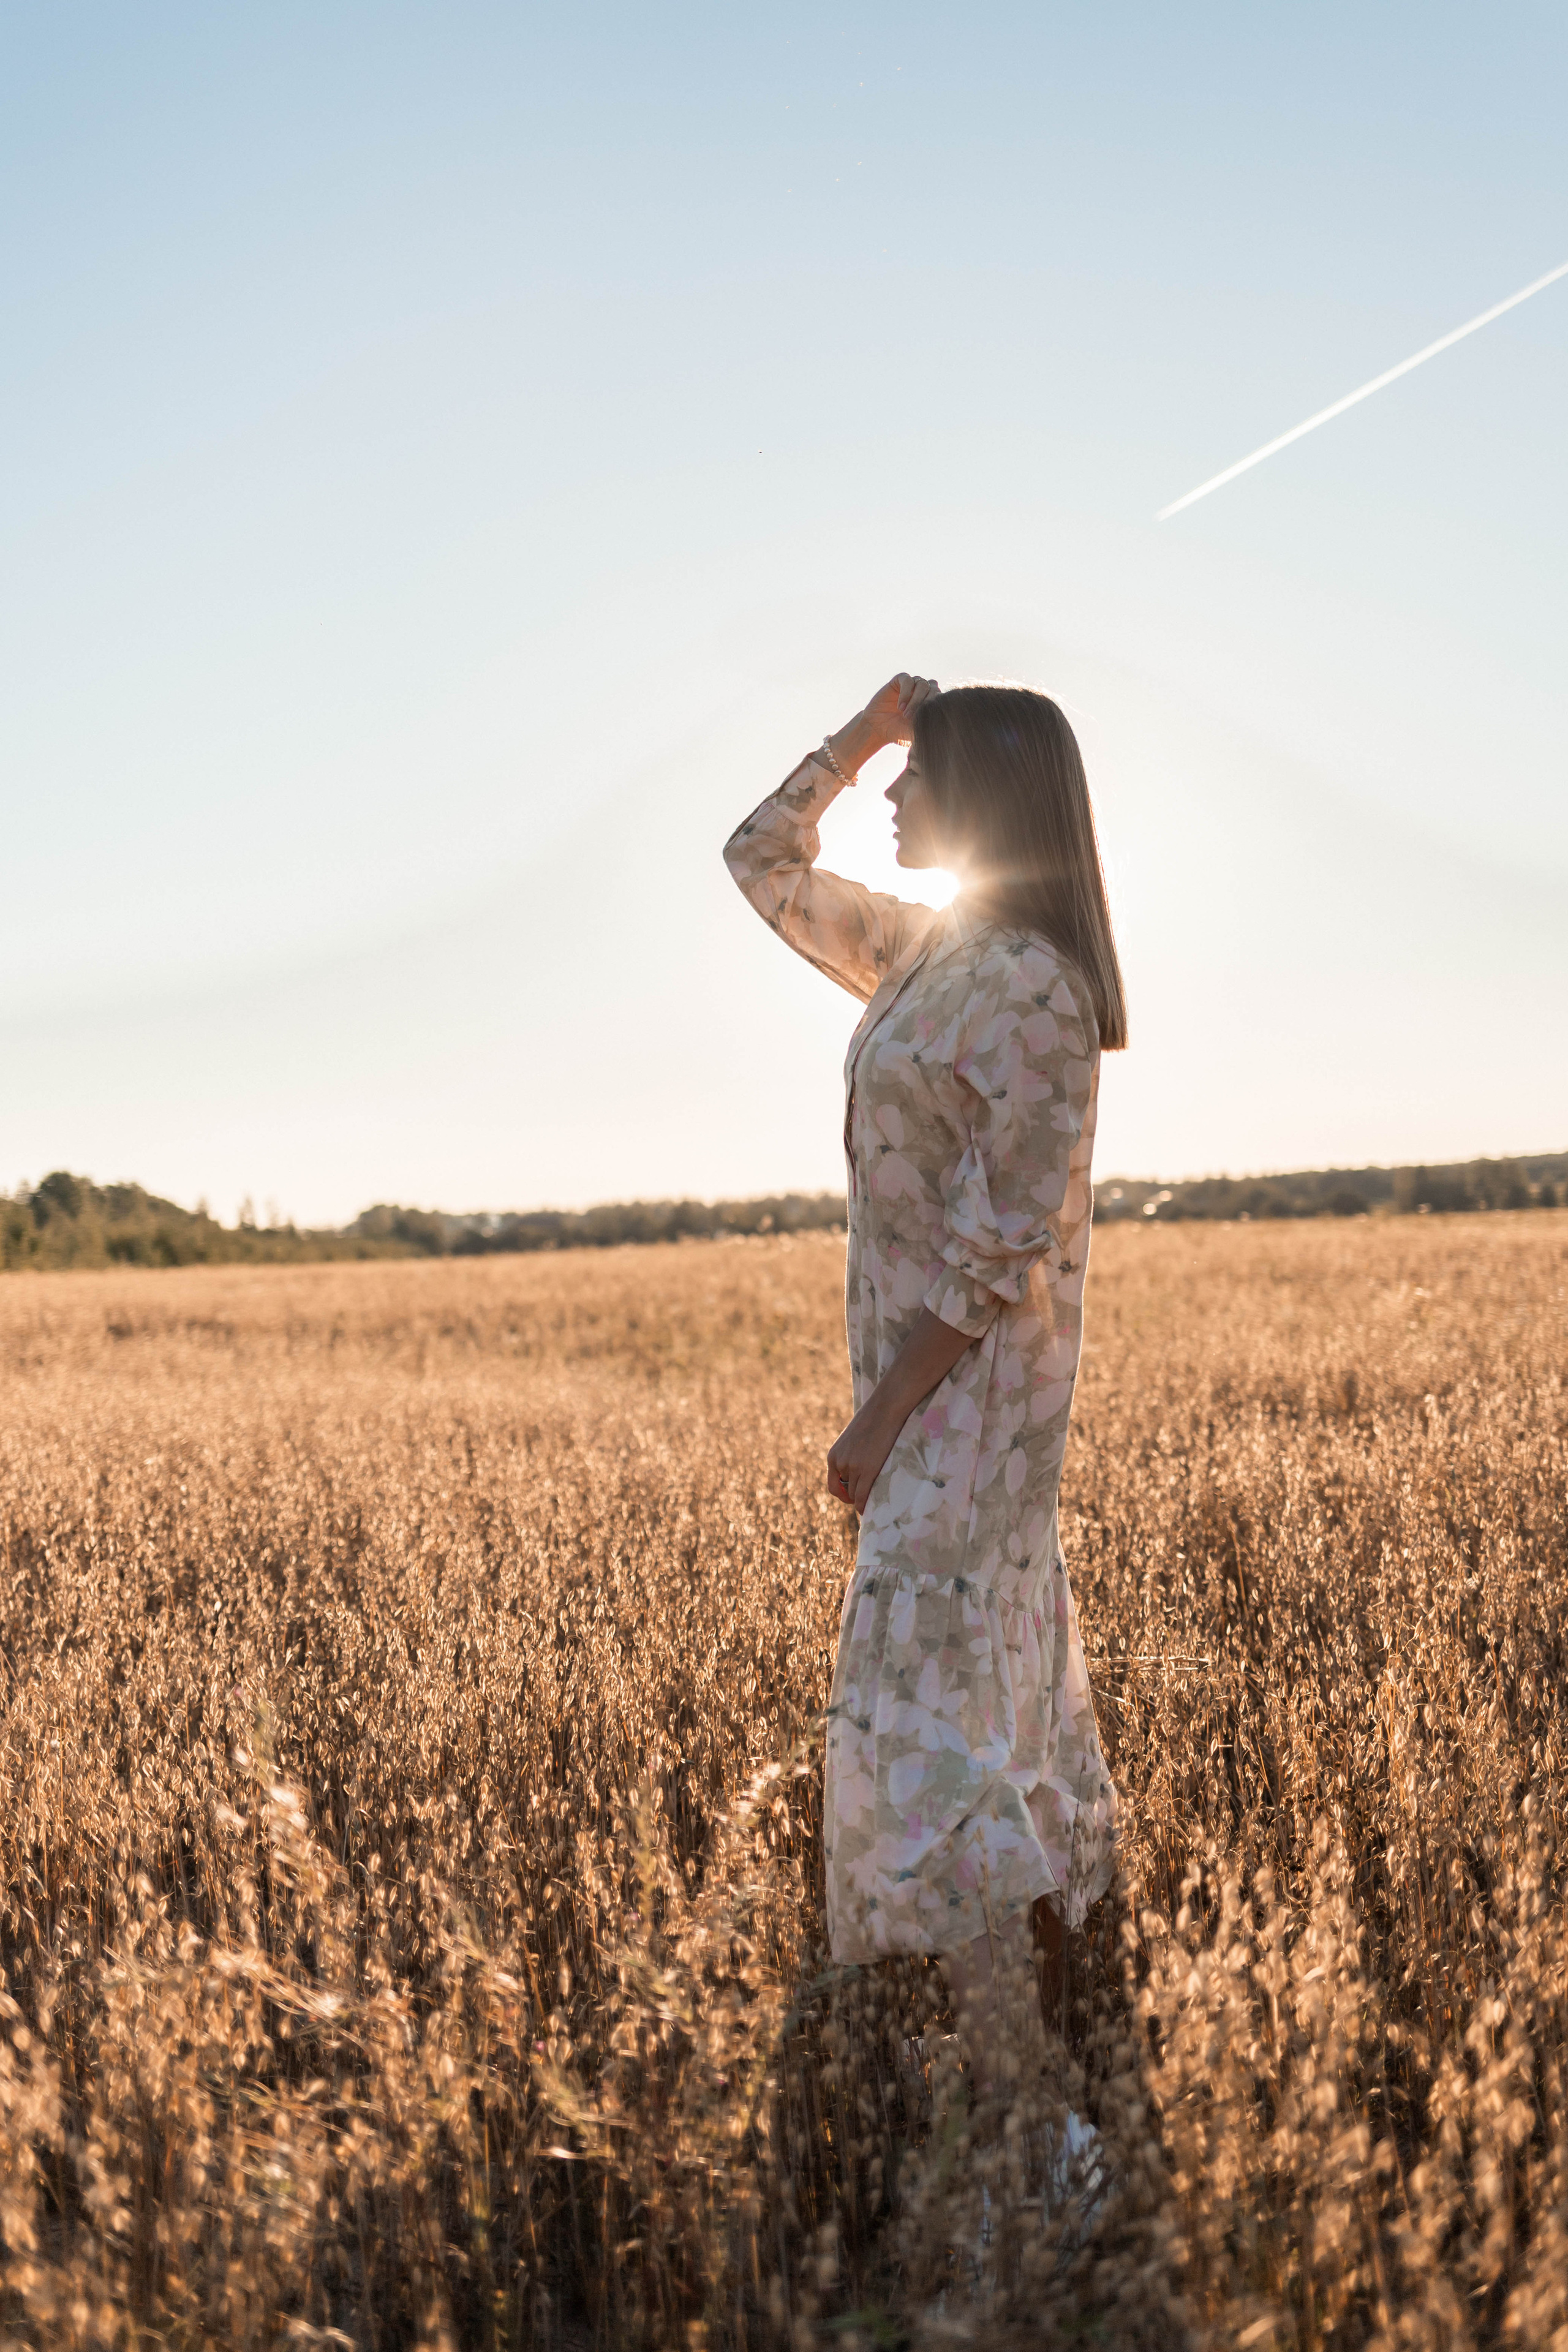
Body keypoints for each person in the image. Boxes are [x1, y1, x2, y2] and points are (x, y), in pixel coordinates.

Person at [723, 673, 1124, 2102]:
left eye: (917, 775)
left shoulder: (1031, 990)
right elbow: (758, 863)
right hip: (931, 1415)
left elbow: (996, 1247)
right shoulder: (922, 953)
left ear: (987, 795)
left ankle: (1024, 2108)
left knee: (923, 1750)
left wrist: (879, 1418)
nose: (892, 799)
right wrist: (863, 731)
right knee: (969, 1728)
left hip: (965, 1420)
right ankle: (1051, 2095)